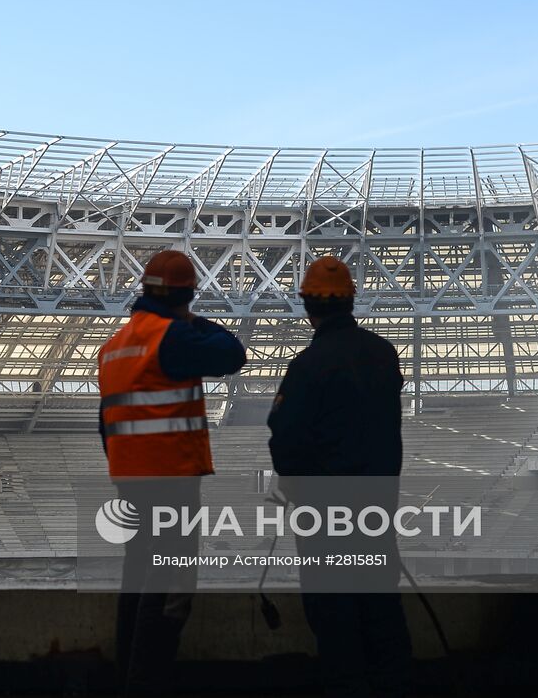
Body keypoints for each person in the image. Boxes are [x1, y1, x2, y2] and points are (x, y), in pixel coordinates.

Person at [97, 249, 247, 696]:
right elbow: (232, 354)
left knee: (138, 576)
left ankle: (128, 675)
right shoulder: (172, 338)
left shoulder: (115, 346)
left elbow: (105, 422)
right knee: (171, 586)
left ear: (144, 290)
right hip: (170, 479)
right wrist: (191, 321)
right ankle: (147, 683)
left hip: (129, 479)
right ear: (186, 295)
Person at [267, 255, 412, 698]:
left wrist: (295, 492)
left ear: (308, 305)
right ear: (351, 301)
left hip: (324, 513)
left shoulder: (307, 367)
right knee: (381, 607)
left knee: (334, 613)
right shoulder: (383, 354)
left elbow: (285, 440)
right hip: (376, 506)